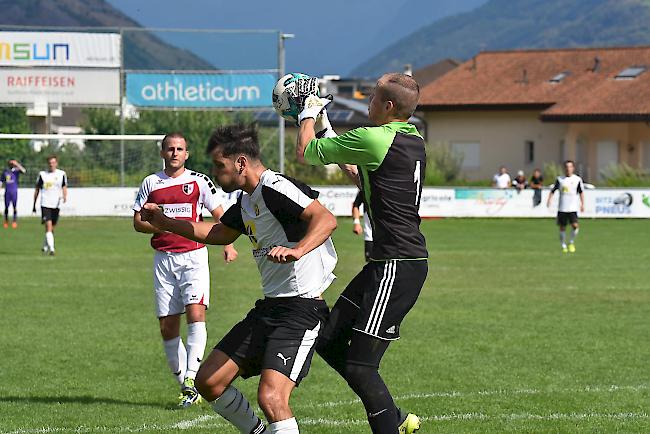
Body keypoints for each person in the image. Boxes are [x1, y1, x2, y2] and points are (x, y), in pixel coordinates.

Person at [140, 124, 338, 434]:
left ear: (241, 163)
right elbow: (218, 233)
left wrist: (297, 250)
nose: (216, 174)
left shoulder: (275, 187)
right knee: (209, 381)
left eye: (220, 166)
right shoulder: (246, 201)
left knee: (271, 398)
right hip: (271, 308)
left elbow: (325, 219)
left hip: (301, 310)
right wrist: (165, 222)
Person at [295, 73, 427, 434]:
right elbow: (361, 173)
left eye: (372, 96)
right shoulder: (411, 139)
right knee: (329, 339)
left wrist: (306, 113)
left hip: (396, 266)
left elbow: (304, 154)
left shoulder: (373, 137)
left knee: (360, 366)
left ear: (387, 106)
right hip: (389, 263)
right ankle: (393, 417)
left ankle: (392, 424)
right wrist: (325, 127)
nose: (367, 100)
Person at [133, 132, 238, 408]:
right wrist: (159, 221)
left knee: (196, 312)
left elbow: (221, 216)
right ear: (162, 152)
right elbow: (137, 223)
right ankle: (185, 385)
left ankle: (192, 377)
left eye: (180, 149)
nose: (175, 153)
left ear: (187, 154)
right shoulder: (151, 183)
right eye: (170, 149)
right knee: (168, 326)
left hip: (194, 257)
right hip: (163, 259)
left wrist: (227, 244)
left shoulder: (199, 181)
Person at [546, 160, 584, 253]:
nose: (568, 169)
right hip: (562, 208)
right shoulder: (560, 179)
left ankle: (571, 242)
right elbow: (553, 190)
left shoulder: (577, 180)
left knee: (575, 226)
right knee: (562, 227)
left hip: (572, 208)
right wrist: (549, 200)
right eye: (566, 167)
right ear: (564, 168)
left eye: (570, 167)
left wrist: (583, 204)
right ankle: (563, 245)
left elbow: (581, 192)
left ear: (573, 168)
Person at [32, 155, 67, 255]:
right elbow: (37, 189)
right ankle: (52, 249)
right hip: (45, 203)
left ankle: (45, 246)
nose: (51, 165)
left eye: (53, 163)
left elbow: (64, 186)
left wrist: (65, 196)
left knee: (52, 228)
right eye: (50, 163)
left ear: (56, 163)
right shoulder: (43, 175)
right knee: (48, 226)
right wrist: (34, 203)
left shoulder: (61, 174)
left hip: (56, 204)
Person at [2, 159, 26, 228]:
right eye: (10, 163)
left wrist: (17, 164)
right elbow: (1, 180)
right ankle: (6, 221)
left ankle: (14, 221)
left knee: (14, 207)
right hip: (7, 191)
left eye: (13, 163)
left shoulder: (16, 171)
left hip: (14, 191)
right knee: (6, 207)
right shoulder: (5, 171)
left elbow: (24, 171)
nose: (12, 164)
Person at [352, 190, 373, 262]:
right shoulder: (366, 188)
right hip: (370, 236)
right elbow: (356, 205)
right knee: (370, 265)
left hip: (386, 237)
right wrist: (356, 223)